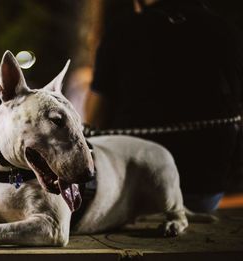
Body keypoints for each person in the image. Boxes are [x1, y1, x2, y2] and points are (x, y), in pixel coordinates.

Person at [85, 0, 243, 212]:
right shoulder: (222, 27)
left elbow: (96, 113)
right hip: (204, 187)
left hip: (136, 189)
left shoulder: (124, 29)